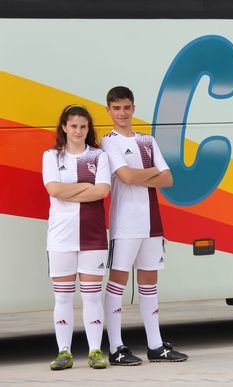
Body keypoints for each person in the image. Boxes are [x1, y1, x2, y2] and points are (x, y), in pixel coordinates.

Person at [100, 86, 188, 365]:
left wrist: (144, 175)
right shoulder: (108, 142)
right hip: (125, 223)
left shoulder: (148, 141)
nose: (122, 113)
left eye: (126, 107)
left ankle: (155, 345)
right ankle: (116, 348)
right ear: (109, 110)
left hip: (152, 222)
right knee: (118, 281)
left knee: (150, 281)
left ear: (133, 109)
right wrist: (152, 173)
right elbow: (125, 176)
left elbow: (169, 179)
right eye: (116, 108)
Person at [42, 104, 111, 370]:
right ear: (64, 127)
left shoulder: (99, 156)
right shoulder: (51, 156)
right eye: (73, 126)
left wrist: (68, 190)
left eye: (83, 126)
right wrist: (85, 187)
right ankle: (64, 352)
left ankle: (95, 351)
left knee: (92, 296)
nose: (78, 131)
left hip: (93, 235)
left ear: (88, 129)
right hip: (60, 237)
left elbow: (102, 191)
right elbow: (53, 189)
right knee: (62, 297)